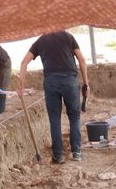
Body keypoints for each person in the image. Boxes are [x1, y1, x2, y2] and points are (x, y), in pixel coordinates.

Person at [19, 29, 89, 163]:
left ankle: (58, 155)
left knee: (54, 119)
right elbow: (82, 60)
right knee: (74, 117)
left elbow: (24, 62)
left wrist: (21, 86)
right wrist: (86, 84)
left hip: (51, 82)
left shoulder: (41, 40)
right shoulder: (68, 37)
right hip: (70, 81)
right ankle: (77, 152)